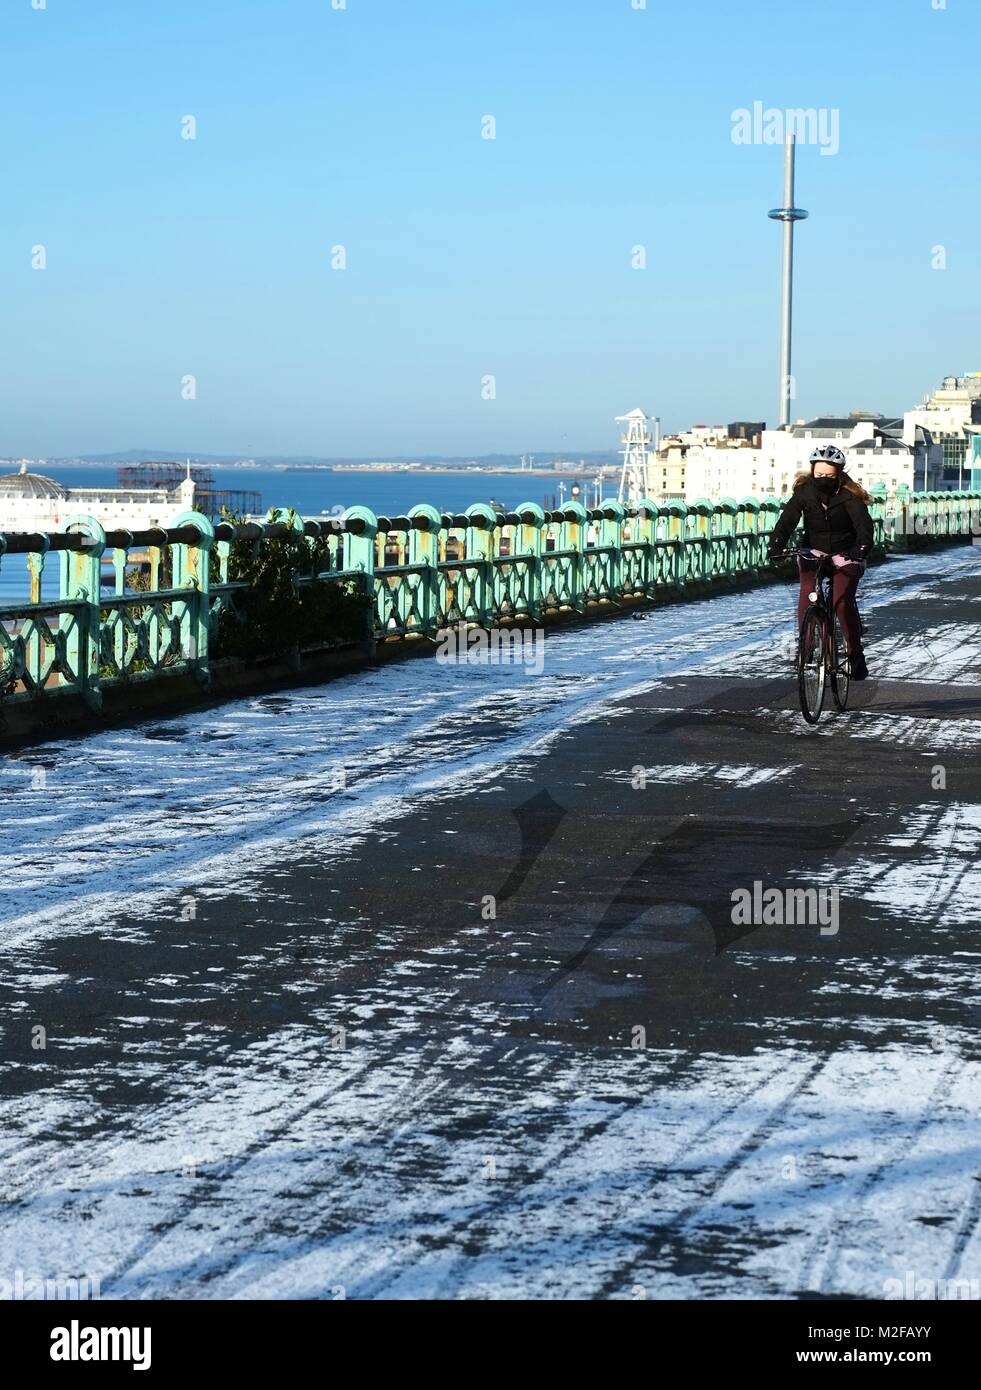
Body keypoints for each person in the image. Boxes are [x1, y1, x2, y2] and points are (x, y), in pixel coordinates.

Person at [767, 445, 873, 680]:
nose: (823, 479)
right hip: (813, 551)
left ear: (839, 473)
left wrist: (862, 548)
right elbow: (787, 521)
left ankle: (855, 653)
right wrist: (775, 545)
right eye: (819, 475)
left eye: (829, 476)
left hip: (846, 555)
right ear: (812, 471)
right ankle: (806, 647)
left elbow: (864, 526)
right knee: (807, 594)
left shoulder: (849, 495)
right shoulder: (805, 493)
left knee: (841, 602)